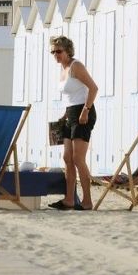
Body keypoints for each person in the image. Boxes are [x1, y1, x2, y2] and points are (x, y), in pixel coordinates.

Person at [49, 36, 98, 211]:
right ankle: (69, 199)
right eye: (53, 51)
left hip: (83, 112)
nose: (56, 55)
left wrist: (86, 109)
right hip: (71, 113)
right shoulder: (63, 70)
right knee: (67, 158)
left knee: (78, 158)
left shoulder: (76, 66)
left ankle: (87, 201)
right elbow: (72, 96)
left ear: (68, 50)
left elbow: (93, 88)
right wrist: (64, 115)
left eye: (59, 51)